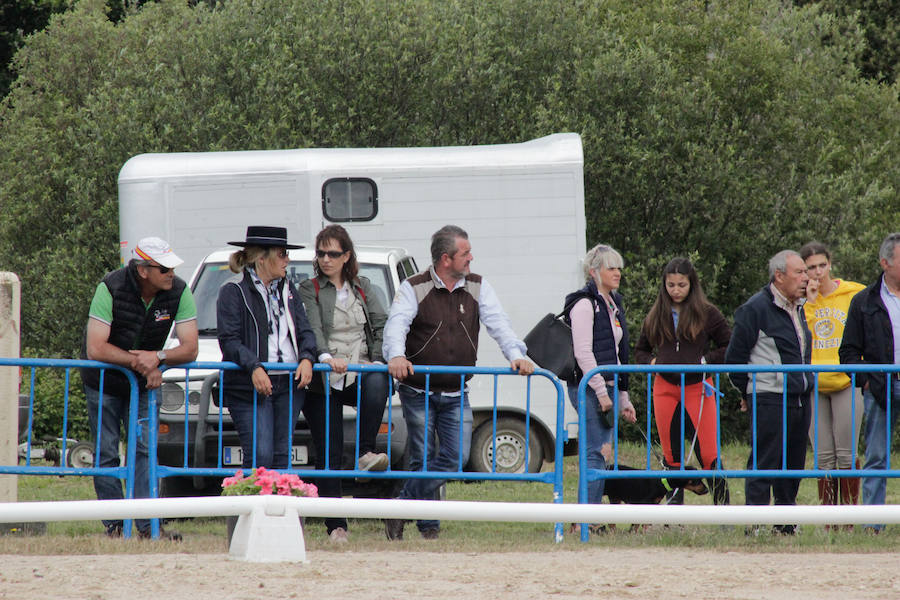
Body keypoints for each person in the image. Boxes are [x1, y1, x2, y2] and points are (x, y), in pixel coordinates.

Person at [382, 225, 534, 540]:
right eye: (465, 253)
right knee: (421, 459)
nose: (471, 258)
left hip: (456, 391)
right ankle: (429, 527)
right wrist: (396, 356)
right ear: (446, 258)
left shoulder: (479, 287)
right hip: (417, 389)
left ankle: (400, 508)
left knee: (456, 460)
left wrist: (516, 354)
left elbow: (499, 323)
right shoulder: (414, 287)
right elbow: (396, 324)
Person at [80, 237, 199, 540]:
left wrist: (157, 357)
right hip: (104, 382)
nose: (171, 273)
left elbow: (191, 348)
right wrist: (142, 363)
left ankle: (147, 525)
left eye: (172, 267)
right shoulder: (109, 287)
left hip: (145, 382)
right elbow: (95, 348)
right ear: (143, 270)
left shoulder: (180, 290)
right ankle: (115, 523)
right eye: (164, 268)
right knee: (106, 452)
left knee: (145, 451)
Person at [298, 225, 391, 544]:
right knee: (329, 452)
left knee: (379, 379)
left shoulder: (363, 286)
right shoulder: (308, 288)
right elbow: (310, 325)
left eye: (333, 254)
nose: (325, 259)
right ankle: (335, 525)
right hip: (324, 377)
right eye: (321, 253)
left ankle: (366, 450)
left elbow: (381, 324)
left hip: (360, 367)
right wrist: (323, 354)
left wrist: (378, 358)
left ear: (347, 255)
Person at [216, 226, 317, 473]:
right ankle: (247, 510)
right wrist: (254, 366)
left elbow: (305, 330)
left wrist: (306, 358)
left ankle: (279, 511)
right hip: (249, 385)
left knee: (282, 455)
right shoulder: (234, 290)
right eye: (282, 254)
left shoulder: (289, 289)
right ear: (262, 258)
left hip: (288, 383)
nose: (287, 260)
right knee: (260, 454)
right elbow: (229, 340)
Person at [725, 250, 811, 534]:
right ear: (779, 275)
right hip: (769, 397)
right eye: (799, 272)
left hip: (800, 396)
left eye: (805, 272)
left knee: (794, 462)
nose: (806, 277)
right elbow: (734, 360)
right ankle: (756, 523)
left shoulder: (799, 307)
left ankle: (785, 523)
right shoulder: (755, 309)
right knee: (766, 460)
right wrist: (749, 391)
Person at [635, 257, 731, 505]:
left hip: (699, 388)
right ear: (664, 286)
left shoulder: (708, 313)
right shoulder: (656, 313)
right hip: (664, 389)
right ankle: (673, 516)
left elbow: (728, 345)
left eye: (681, 285)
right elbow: (640, 350)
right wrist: (651, 363)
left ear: (692, 285)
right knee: (671, 456)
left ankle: (725, 512)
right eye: (670, 285)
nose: (676, 290)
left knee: (709, 454)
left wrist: (704, 362)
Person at [564, 243, 636, 529]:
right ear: (594, 272)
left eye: (619, 267)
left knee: (600, 452)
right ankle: (588, 519)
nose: (618, 272)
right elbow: (584, 353)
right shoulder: (584, 304)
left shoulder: (613, 302)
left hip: (606, 386)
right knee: (597, 452)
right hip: (590, 387)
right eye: (611, 267)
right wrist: (603, 393)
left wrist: (623, 396)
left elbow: (620, 355)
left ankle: (586, 517)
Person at [839, 232, 900, 533]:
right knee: (876, 457)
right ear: (885, 263)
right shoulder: (863, 301)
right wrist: (865, 379)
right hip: (880, 388)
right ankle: (873, 525)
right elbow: (847, 352)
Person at [799, 241, 865, 514]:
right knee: (823, 456)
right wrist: (811, 301)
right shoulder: (800, 302)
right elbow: (802, 335)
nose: (817, 272)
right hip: (814, 383)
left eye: (821, 265)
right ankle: (829, 519)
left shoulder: (854, 293)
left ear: (830, 265)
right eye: (810, 268)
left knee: (846, 454)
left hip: (846, 382)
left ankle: (848, 517)